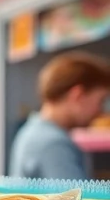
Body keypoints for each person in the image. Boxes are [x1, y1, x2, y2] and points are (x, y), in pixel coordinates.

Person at [10, 51, 110, 180]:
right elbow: (78, 199)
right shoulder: (54, 144)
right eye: (101, 101)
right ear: (78, 95)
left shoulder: (32, 131)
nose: (101, 112)